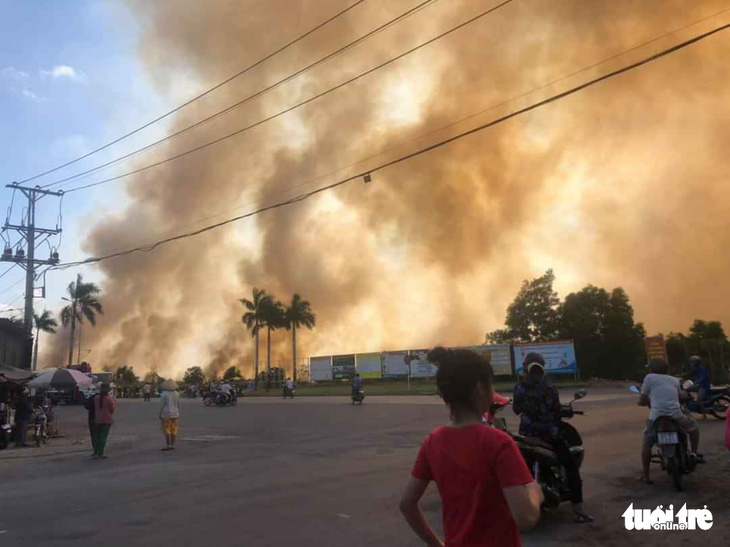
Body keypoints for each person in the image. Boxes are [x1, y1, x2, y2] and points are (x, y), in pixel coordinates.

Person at [400, 347, 542, 547]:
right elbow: (526, 518)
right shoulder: (498, 442)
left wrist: (436, 544)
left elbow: (407, 504)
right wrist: (535, 491)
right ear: (479, 388)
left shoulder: (433, 442)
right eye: (491, 385)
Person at [513, 352, 592, 523]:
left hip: (527, 434)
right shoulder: (549, 386)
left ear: (526, 367)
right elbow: (556, 409)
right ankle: (578, 510)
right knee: (571, 467)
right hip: (550, 435)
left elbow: (516, 410)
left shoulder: (520, 387)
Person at [638, 357, 700, 484]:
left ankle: (646, 476)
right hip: (676, 415)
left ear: (652, 369)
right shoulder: (674, 380)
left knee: (647, 443)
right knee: (693, 429)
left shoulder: (649, 378)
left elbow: (642, 400)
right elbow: (678, 396)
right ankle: (694, 454)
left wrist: (644, 402)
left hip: (657, 417)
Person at [92, 383, 116, 459]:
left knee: (97, 437)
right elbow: (112, 409)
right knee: (103, 437)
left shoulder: (96, 398)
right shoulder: (109, 398)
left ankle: (95, 452)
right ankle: (100, 452)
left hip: (97, 419)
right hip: (107, 420)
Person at [160, 379, 180, 451]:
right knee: (174, 429)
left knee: (167, 429)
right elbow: (177, 404)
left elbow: (162, 405)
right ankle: (172, 445)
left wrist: (160, 414)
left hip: (166, 413)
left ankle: (168, 445)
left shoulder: (164, 394)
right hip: (175, 413)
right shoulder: (177, 393)